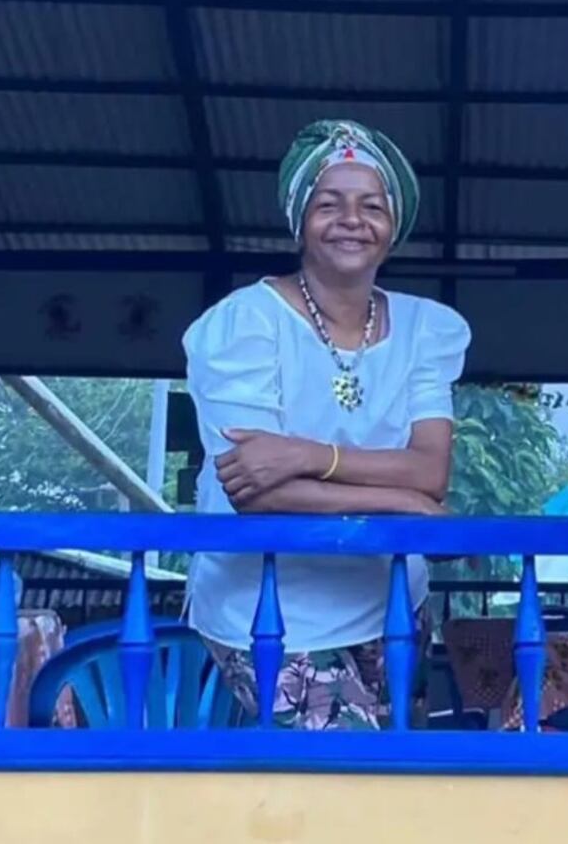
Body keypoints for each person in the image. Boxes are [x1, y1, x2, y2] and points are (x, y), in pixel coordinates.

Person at [184, 119, 470, 730]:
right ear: (299, 221)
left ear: (393, 227)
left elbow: (431, 471)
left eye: (373, 206)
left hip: (393, 603)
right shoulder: (244, 324)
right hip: (271, 614)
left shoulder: (426, 329)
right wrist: (400, 501)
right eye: (328, 204)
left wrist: (308, 456)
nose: (352, 220)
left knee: (398, 776)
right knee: (342, 775)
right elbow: (256, 493)